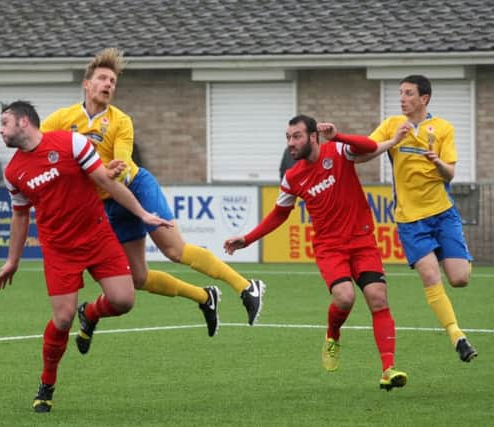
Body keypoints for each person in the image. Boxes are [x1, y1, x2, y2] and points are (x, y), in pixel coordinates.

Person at [41, 47, 265, 343]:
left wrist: (110, 168)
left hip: (135, 188)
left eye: (113, 81)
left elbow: (121, 166)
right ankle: (204, 297)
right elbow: (40, 150)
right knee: (138, 278)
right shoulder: (61, 119)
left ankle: (246, 286)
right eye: (103, 79)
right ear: (87, 84)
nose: (109, 84)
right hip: (106, 203)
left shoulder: (120, 121)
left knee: (175, 251)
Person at [0, 100, 172, 413]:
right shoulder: (13, 172)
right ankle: (47, 383)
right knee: (62, 319)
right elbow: (20, 216)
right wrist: (13, 260)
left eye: (5, 123)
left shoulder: (71, 142)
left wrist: (143, 213)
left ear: (24, 122)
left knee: (124, 300)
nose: (1, 130)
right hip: (59, 249)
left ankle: (90, 314)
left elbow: (106, 181)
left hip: (97, 236)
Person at [224, 114, 408, 391]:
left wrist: (339, 136)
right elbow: (279, 215)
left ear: (313, 136)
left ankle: (388, 369)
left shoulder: (338, 151)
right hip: (329, 247)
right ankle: (333, 335)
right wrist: (247, 239)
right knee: (344, 298)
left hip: (361, 240)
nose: (290, 143)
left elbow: (369, 147)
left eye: (296, 136)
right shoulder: (292, 177)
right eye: (288, 137)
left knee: (377, 297)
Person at [360, 74, 477, 362]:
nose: (402, 98)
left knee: (460, 279)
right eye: (400, 93)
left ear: (423, 98)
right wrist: (393, 141)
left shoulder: (443, 128)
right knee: (429, 275)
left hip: (443, 214)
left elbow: (450, 173)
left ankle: (445, 252)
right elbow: (361, 154)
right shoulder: (390, 125)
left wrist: (438, 163)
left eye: (408, 93)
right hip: (411, 221)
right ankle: (457, 336)